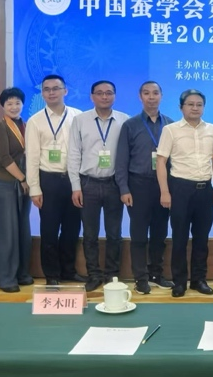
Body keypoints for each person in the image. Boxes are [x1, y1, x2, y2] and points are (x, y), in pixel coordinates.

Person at [156, 89, 213, 297]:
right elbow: (161, 161)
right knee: (179, 238)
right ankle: (179, 282)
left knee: (201, 238)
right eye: (190, 104)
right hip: (180, 189)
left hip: (204, 189)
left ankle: (198, 280)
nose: (195, 108)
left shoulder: (211, 129)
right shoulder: (170, 130)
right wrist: (165, 191)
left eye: (199, 105)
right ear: (181, 107)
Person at [68, 81, 131, 292]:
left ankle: (112, 275)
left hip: (114, 184)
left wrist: (125, 186)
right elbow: (74, 153)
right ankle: (93, 275)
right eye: (100, 93)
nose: (105, 97)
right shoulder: (80, 120)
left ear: (115, 96)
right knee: (90, 234)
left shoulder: (124, 120)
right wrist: (76, 186)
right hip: (88, 184)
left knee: (114, 233)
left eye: (109, 93)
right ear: (92, 96)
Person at [116, 81, 177, 294]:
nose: (151, 97)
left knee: (160, 233)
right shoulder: (130, 125)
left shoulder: (170, 125)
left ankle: (156, 274)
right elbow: (121, 160)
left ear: (161, 96)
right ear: (140, 96)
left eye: (155, 93)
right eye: (146, 93)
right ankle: (140, 278)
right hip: (138, 185)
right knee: (139, 234)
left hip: (164, 186)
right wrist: (124, 188)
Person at [26, 75, 86, 285]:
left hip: (74, 180)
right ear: (42, 93)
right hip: (48, 181)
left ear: (65, 91)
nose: (51, 92)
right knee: (49, 229)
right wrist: (34, 188)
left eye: (56, 88)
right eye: (47, 89)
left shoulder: (78, 116)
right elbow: (32, 157)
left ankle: (68, 270)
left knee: (72, 228)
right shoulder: (35, 121)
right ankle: (51, 274)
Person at [0, 87, 34, 292]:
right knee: (7, 232)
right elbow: (4, 157)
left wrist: (26, 180)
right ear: (3, 106)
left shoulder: (26, 125)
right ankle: (6, 278)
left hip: (23, 185)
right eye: (9, 103)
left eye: (17, 103)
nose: (14, 107)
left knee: (23, 230)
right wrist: (22, 178)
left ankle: (22, 273)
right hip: (5, 183)